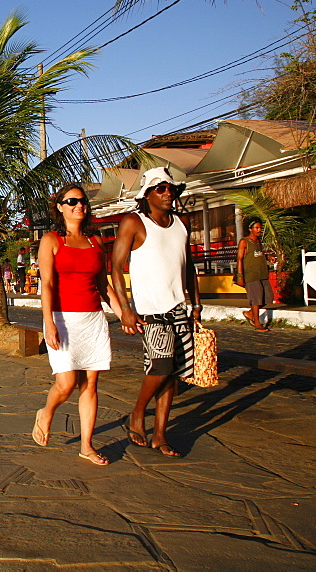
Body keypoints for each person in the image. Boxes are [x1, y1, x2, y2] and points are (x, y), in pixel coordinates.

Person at [111, 167, 201, 458]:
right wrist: (125, 309)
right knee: (160, 367)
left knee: (171, 374)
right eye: (160, 188)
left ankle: (160, 434)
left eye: (170, 188)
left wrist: (196, 304)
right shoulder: (134, 223)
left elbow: (189, 268)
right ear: (146, 194)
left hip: (179, 308)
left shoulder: (181, 223)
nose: (167, 193)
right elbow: (115, 266)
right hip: (151, 310)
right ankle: (138, 413)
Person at [33, 184, 123, 466]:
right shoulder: (51, 240)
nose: (78, 205)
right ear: (60, 207)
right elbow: (46, 284)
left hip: (93, 319)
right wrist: (48, 322)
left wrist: (124, 314)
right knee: (66, 383)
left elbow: (103, 286)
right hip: (63, 318)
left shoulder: (96, 242)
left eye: (82, 201)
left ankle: (86, 445)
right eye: (71, 201)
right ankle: (47, 411)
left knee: (90, 383)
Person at [236, 219, 272, 331]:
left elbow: (258, 254)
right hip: (251, 275)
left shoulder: (258, 242)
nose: (259, 230)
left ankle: (250, 313)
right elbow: (240, 258)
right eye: (256, 228)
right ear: (250, 229)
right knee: (256, 299)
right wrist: (240, 275)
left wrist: (268, 258)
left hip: (262, 273)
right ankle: (257, 323)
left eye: (260, 228)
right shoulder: (244, 241)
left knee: (268, 297)